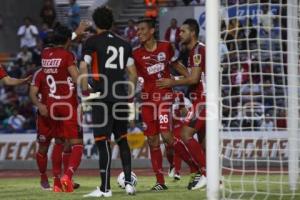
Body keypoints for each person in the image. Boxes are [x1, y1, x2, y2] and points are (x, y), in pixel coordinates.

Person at [133, 18, 201, 191]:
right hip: (147, 101)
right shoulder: (136, 54)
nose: (138, 32)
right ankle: (160, 182)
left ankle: (195, 168)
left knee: (167, 136)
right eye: (137, 30)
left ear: (151, 31)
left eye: (142, 29)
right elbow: (135, 76)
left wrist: (192, 81)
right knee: (152, 140)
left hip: (164, 97)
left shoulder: (166, 47)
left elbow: (177, 65)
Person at [80, 6, 138, 197]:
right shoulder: (125, 43)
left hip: (102, 96)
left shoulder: (91, 42)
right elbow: (133, 74)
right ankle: (129, 183)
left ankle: (105, 189)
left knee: (102, 141)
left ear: (96, 23)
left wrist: (85, 89)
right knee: (122, 141)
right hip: (121, 96)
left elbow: (83, 65)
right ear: (111, 22)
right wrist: (129, 97)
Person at [156, 18, 208, 190]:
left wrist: (172, 82)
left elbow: (193, 78)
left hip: (204, 100)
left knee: (185, 134)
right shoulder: (195, 50)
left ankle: (206, 174)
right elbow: (193, 76)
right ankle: (215, 179)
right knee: (203, 143)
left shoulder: (198, 50)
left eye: (183, 31)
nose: (180, 34)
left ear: (192, 32)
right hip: (202, 99)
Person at [40, 24, 83, 193]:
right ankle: (68, 176)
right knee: (77, 144)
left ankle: (57, 183)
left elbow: (59, 48)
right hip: (67, 105)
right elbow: (77, 78)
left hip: (51, 105)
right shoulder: (67, 55)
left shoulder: (44, 55)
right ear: (67, 40)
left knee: (58, 142)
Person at [30, 68, 80, 192]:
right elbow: (32, 93)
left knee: (64, 143)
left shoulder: (65, 71)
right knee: (43, 147)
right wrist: (40, 105)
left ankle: (63, 180)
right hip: (45, 117)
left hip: (60, 113)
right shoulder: (40, 73)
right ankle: (43, 178)